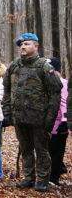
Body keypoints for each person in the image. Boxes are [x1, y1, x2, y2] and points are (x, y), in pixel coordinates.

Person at [3, 33, 62, 192]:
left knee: (41, 151)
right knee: (25, 149)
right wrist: (8, 113)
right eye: (21, 44)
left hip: (39, 119)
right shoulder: (14, 66)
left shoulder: (44, 66)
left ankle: (42, 180)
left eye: (27, 44)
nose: (23, 47)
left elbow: (55, 94)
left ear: (36, 46)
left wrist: (49, 119)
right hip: (19, 118)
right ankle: (29, 177)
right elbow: (7, 90)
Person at [47, 57, 69, 185]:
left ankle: (53, 177)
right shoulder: (45, 83)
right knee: (48, 149)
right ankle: (59, 168)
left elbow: (65, 102)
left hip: (59, 124)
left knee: (56, 151)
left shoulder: (62, 83)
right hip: (47, 124)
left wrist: (65, 121)